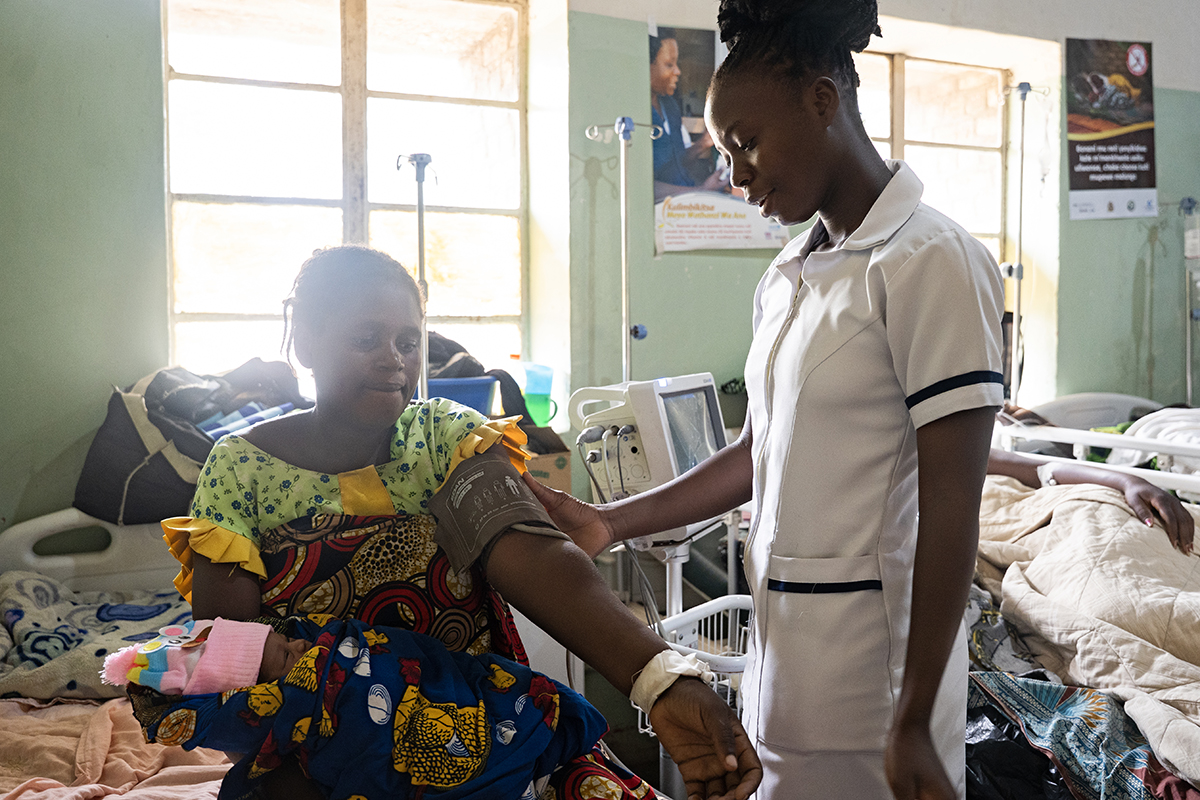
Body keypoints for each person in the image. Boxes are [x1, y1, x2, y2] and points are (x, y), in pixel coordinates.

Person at [525, 2, 1005, 798]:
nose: (735, 175)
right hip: (784, 655)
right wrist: (611, 523)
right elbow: (757, 453)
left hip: (881, 681)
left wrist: (917, 716)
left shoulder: (931, 261)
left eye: (745, 144)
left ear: (823, 102)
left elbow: (955, 505)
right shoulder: (789, 275)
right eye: (722, 152)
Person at [152, 245, 761, 800]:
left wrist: (662, 680)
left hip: (480, 725)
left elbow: (532, 551)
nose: (394, 360)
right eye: (367, 338)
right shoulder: (241, 469)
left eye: (408, 341)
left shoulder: (445, 436)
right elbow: (228, 647)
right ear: (305, 341)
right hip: (315, 738)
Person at [106, 615, 615, 800]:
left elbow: (406, 657)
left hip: (448, 694)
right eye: (284, 657)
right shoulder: (279, 699)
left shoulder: (327, 640)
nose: (301, 650)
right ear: (256, 686)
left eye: (288, 641)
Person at [986, 449, 1195, 554]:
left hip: (1083, 508)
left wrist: (1129, 482)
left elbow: (1045, 471)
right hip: (1047, 545)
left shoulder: (961, 452)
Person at [650, 29, 728, 202]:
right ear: (648, 67)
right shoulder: (639, 111)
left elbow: (676, 163)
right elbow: (643, 186)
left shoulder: (669, 106)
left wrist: (704, 143)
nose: (678, 71)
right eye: (669, 64)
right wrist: (701, 190)